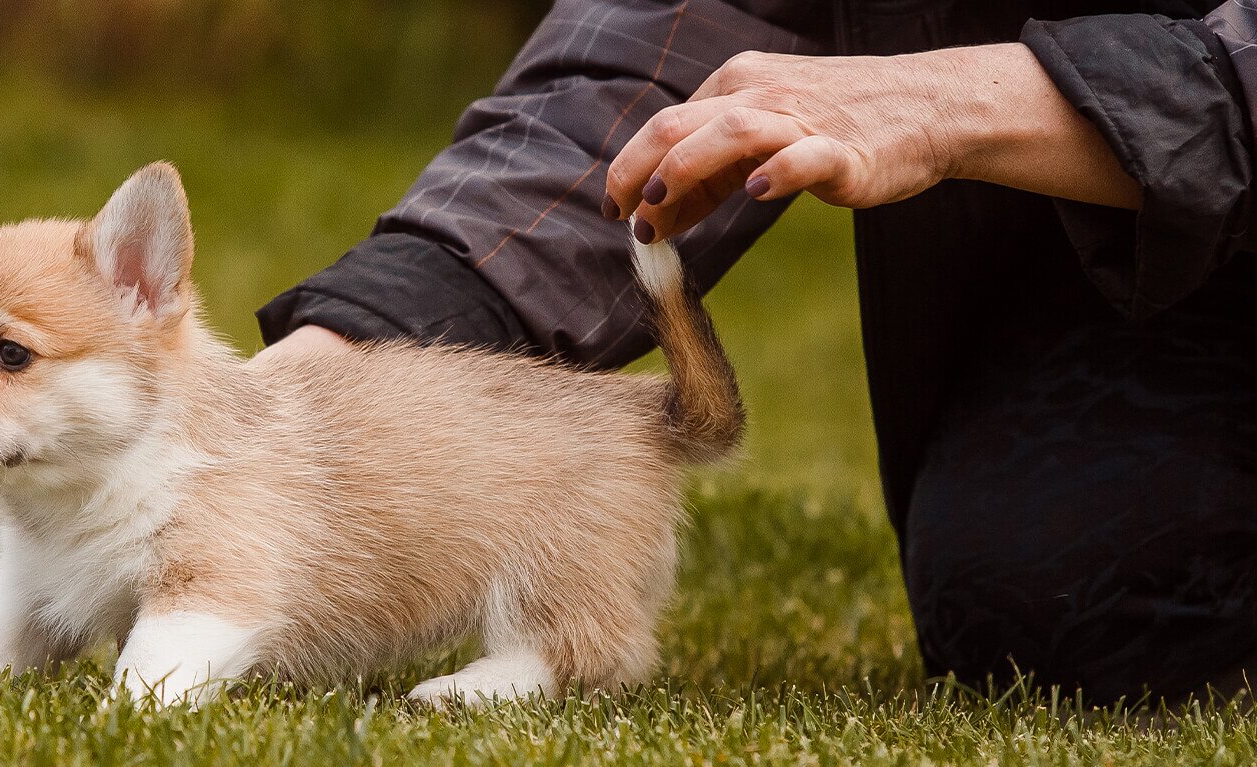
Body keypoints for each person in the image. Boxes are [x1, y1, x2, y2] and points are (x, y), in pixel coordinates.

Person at [254, 0, 1257, 702]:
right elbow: (663, 45)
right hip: (1094, 251)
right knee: (1056, 583)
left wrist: (969, 101)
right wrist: (358, 334)